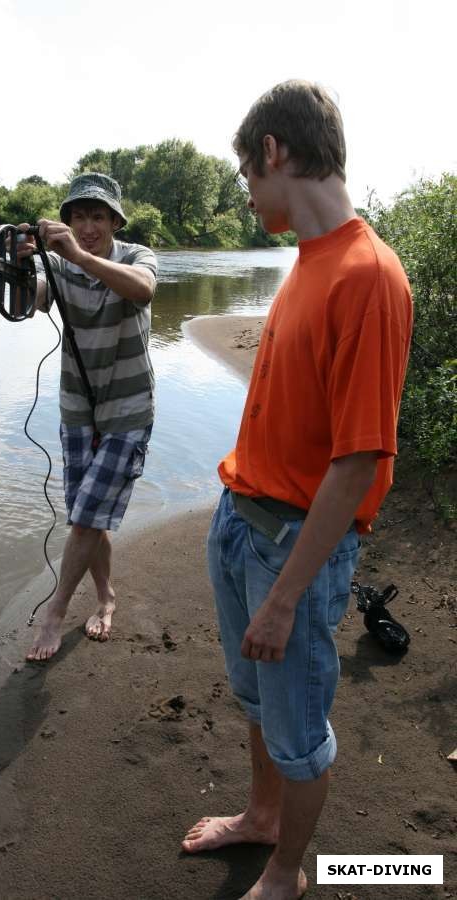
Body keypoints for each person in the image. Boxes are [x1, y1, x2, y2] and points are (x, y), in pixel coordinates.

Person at [181, 81, 413, 900]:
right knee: (256, 701)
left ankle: (289, 871)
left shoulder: (368, 275)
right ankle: (262, 818)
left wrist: (285, 596)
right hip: (240, 522)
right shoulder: (306, 264)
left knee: (299, 731)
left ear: (274, 152)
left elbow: (357, 464)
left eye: (246, 173)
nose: (245, 192)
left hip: (292, 548)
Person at [17, 173, 157, 662]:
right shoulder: (58, 264)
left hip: (127, 410)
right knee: (87, 515)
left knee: (84, 516)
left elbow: (143, 291)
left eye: (98, 216)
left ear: (115, 221)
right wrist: (19, 268)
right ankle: (106, 596)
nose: (89, 225)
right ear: (68, 220)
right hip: (77, 407)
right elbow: (28, 302)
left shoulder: (136, 257)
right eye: (79, 216)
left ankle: (55, 612)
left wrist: (79, 257)